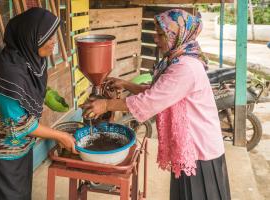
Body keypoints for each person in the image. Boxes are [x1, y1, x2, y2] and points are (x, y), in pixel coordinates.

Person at [82, 9, 231, 200]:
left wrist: (105, 105)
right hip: (188, 146)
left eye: (161, 34)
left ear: (177, 35)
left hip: (199, 150)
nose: (155, 38)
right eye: (156, 33)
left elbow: (150, 101)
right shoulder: (177, 60)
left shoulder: (185, 67)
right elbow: (159, 92)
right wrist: (127, 85)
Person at [0, 8, 77, 200]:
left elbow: (29, 86)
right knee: (3, 192)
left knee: (19, 189)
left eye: (54, 36)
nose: (54, 42)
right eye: (48, 37)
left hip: (19, 144)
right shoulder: (8, 75)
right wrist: (60, 136)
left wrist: (47, 94)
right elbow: (20, 125)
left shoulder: (32, 59)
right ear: (30, 38)